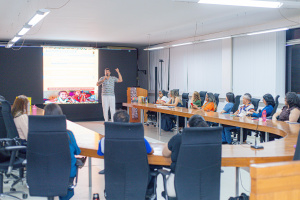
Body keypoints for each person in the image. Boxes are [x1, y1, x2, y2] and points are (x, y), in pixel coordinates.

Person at [162, 115, 209, 198]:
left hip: (177, 185)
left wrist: (168, 144)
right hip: (202, 185)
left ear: (188, 125)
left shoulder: (178, 139)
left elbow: (165, 153)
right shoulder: (209, 142)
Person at [44, 104, 81, 200]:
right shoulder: (68, 134)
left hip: (46, 173)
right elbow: (77, 151)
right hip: (66, 175)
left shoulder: (40, 135)